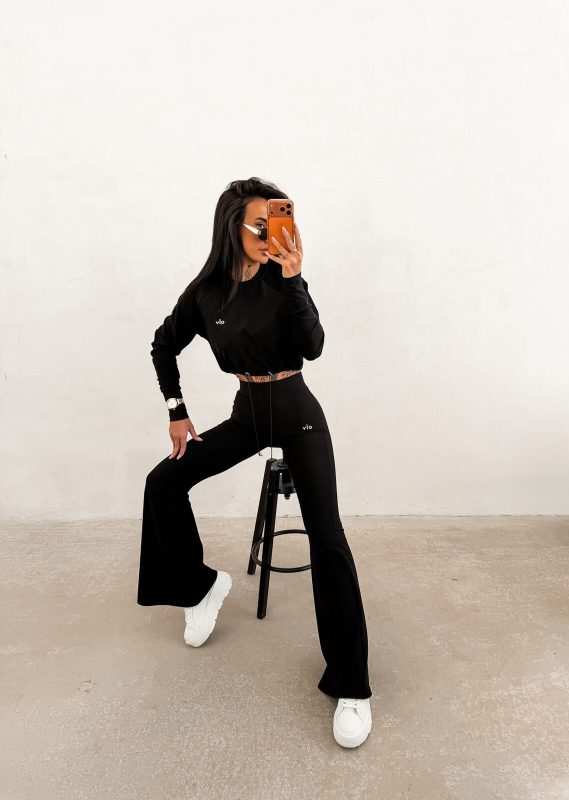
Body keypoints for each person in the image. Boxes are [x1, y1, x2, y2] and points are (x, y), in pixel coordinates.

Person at [137, 177, 373, 748]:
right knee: (163, 482)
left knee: (328, 538)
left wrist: (295, 279)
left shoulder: (282, 278)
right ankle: (200, 588)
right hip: (248, 415)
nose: (272, 236)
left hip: (298, 413)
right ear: (233, 229)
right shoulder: (206, 294)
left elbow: (313, 346)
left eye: (278, 224)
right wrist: (176, 410)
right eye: (261, 226)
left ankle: (352, 686)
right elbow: (163, 344)